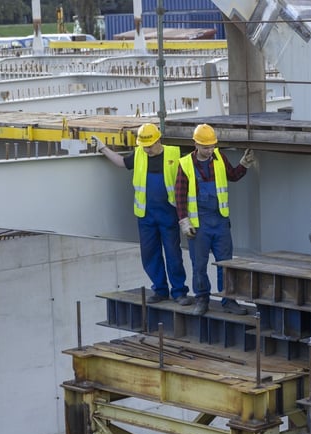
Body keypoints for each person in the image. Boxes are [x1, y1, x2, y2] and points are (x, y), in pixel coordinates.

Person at [92, 124, 192, 306]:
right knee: (150, 254)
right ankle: (160, 290)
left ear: (158, 140)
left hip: (168, 213)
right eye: (144, 146)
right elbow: (122, 163)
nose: (147, 149)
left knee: (173, 254)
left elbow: (195, 162)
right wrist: (103, 148)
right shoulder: (139, 154)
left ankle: (179, 292)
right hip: (146, 215)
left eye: (150, 146)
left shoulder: (174, 153)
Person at [175, 124, 256, 316]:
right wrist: (183, 220)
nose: (209, 150)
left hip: (220, 221)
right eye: (205, 147)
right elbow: (180, 195)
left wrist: (244, 164)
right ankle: (202, 299)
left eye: (212, 146)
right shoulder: (185, 164)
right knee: (199, 265)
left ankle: (229, 300)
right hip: (199, 224)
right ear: (196, 144)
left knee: (226, 262)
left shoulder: (219, 157)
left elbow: (233, 176)